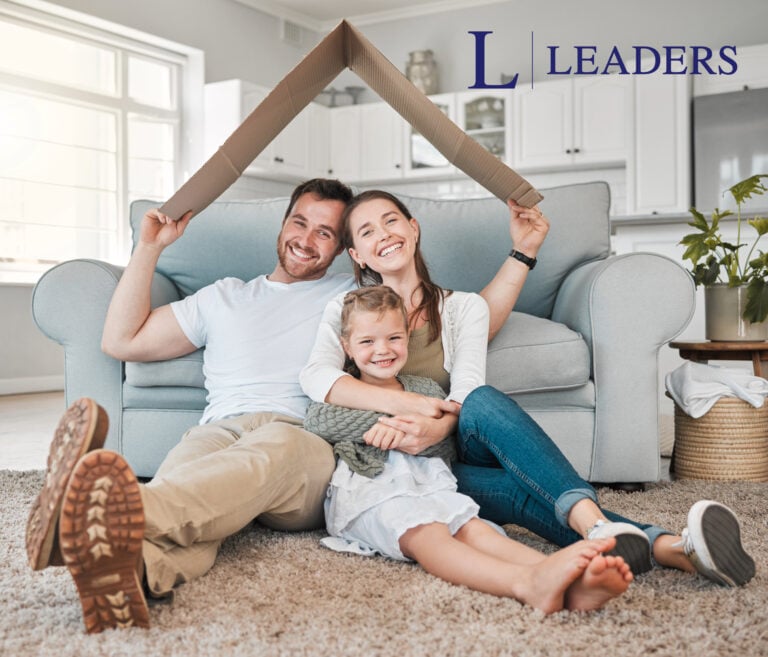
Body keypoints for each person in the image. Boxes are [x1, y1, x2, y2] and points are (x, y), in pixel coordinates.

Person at [300, 189, 756, 588]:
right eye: (365, 231)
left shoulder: (464, 309)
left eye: (391, 220)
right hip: (430, 473)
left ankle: (594, 523)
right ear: (357, 255)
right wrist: (415, 408)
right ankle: (675, 549)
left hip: (450, 447)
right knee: (518, 490)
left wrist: (435, 429)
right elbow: (318, 380)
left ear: (414, 228)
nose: (383, 233)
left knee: (482, 400)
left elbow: (466, 392)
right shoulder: (344, 309)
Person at [303, 285, 633, 613]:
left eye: (393, 337)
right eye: (367, 341)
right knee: (428, 534)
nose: (382, 349)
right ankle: (525, 582)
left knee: (472, 528)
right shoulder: (343, 390)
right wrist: (383, 426)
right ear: (346, 347)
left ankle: (570, 581)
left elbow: (447, 443)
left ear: (407, 337)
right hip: (372, 490)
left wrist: (425, 433)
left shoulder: (425, 389)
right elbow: (319, 420)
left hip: (431, 484)